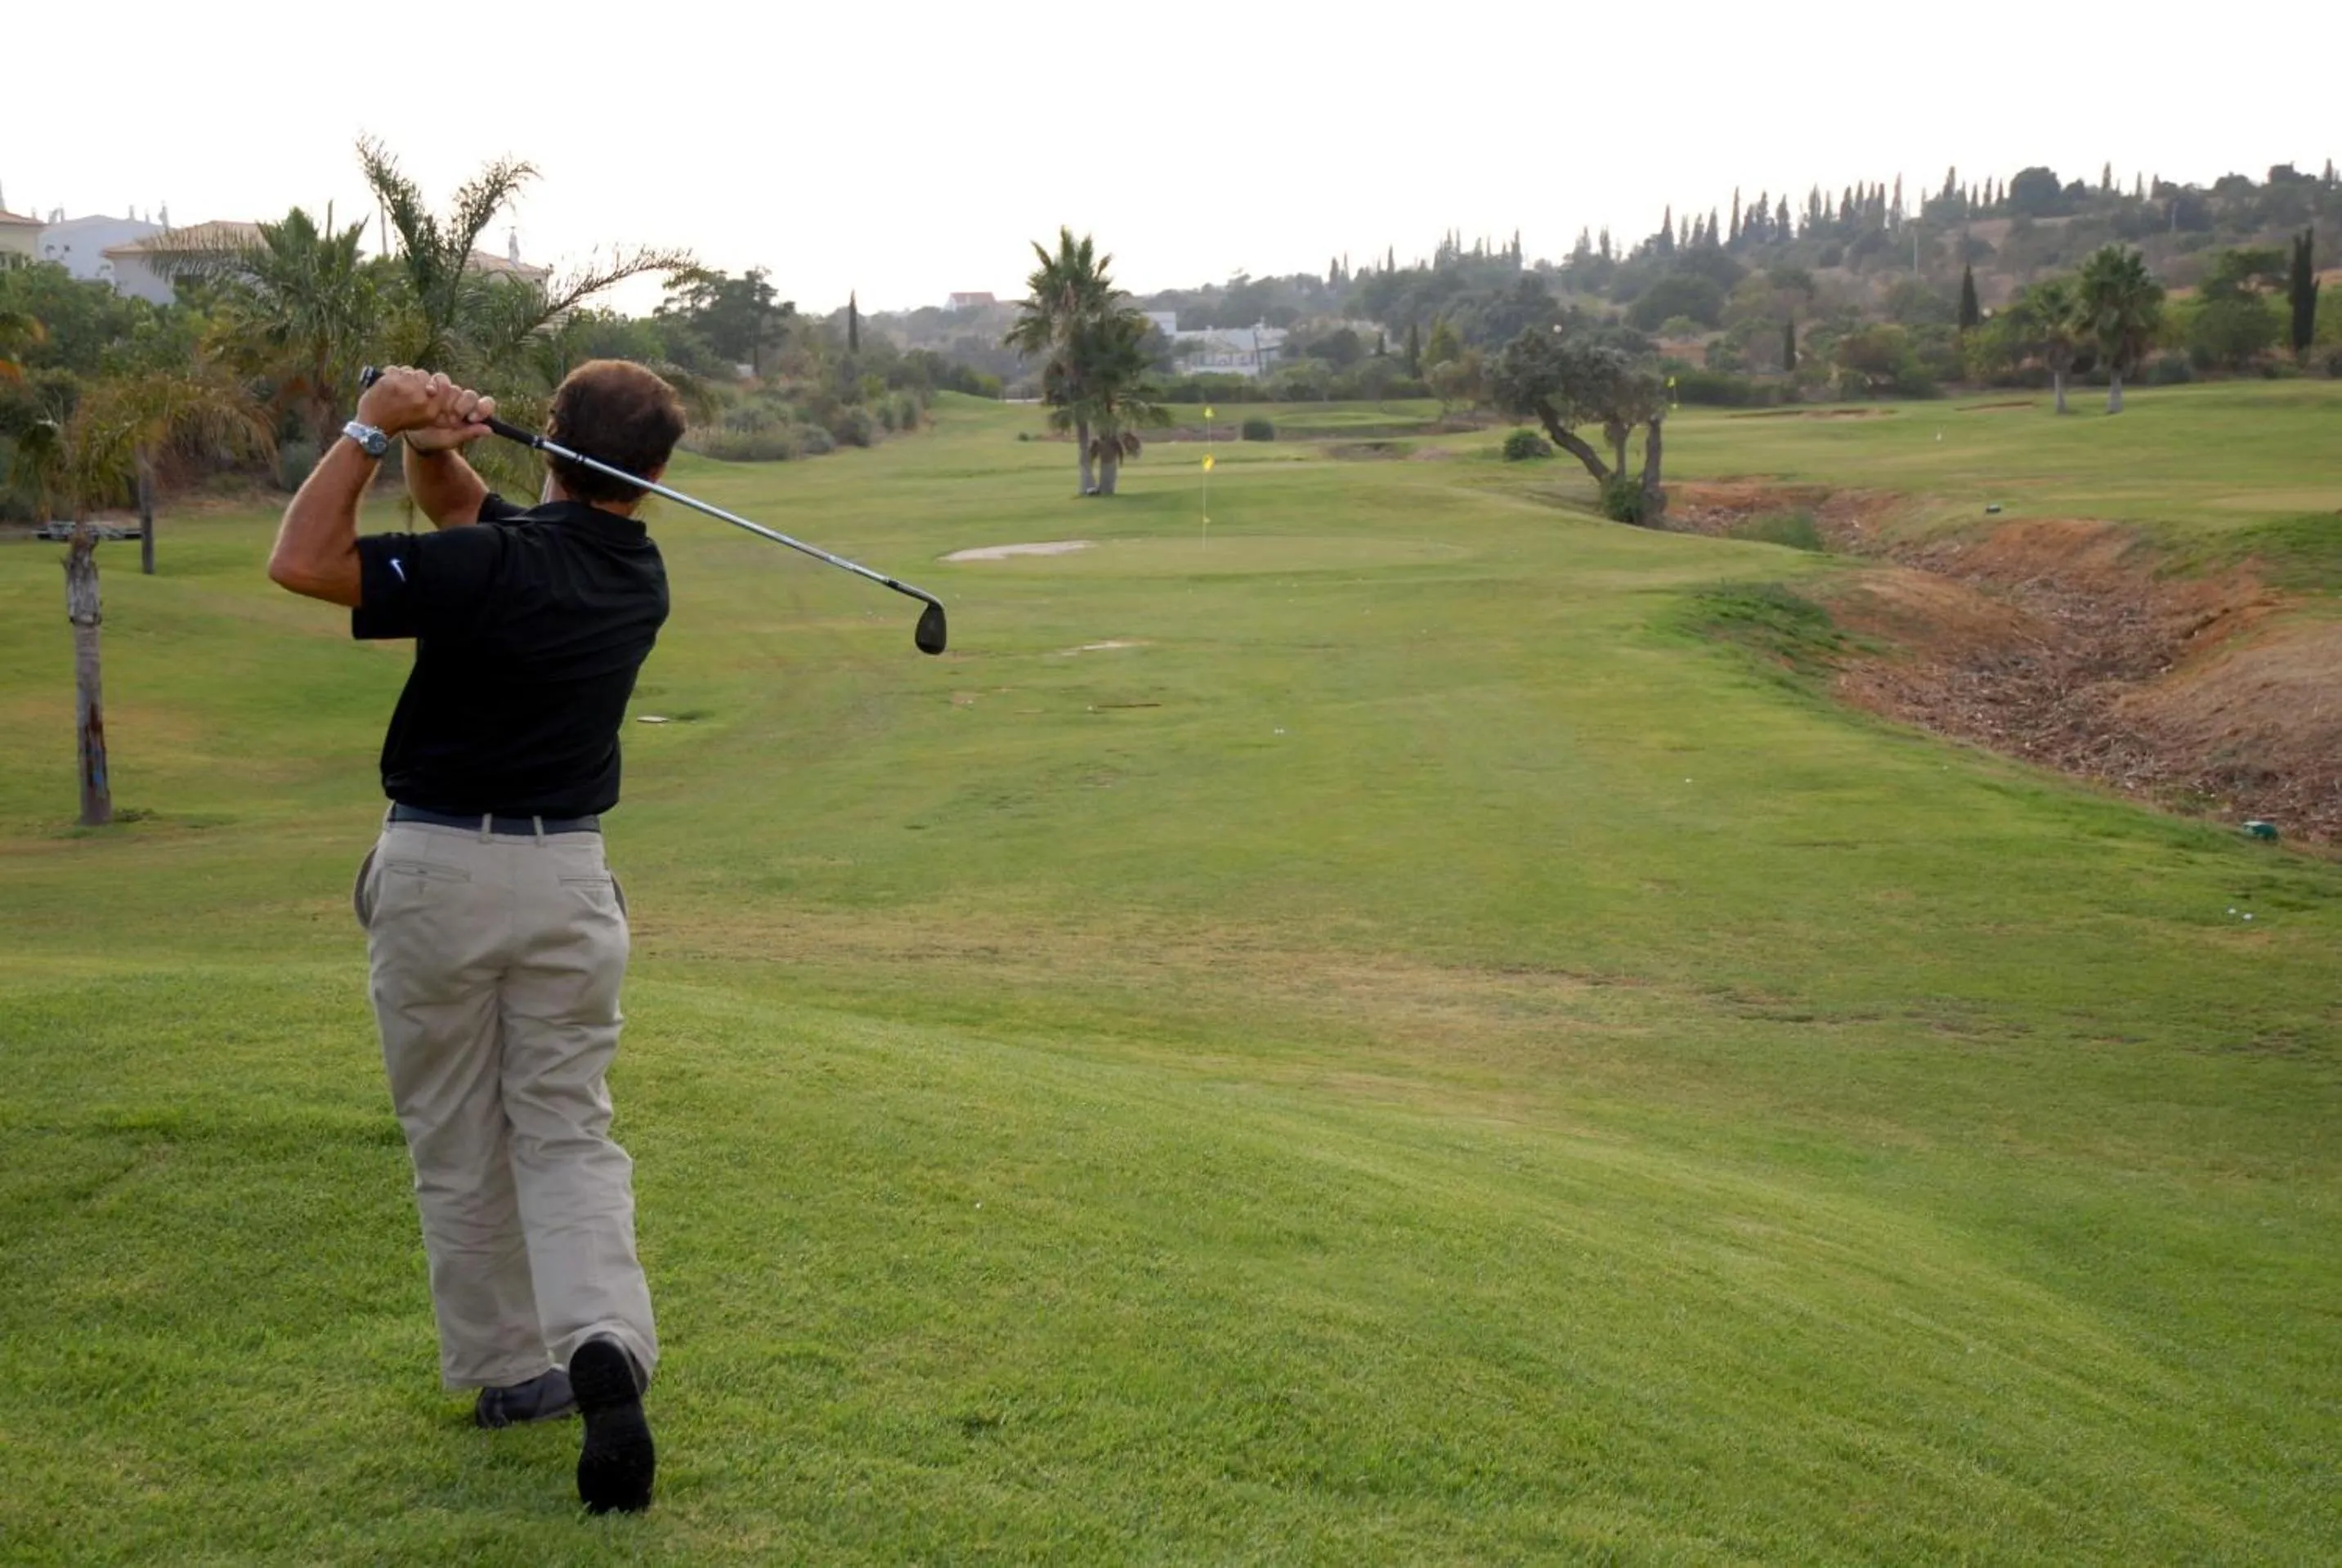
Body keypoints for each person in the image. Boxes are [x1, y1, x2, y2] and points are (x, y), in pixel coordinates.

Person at [266, 361, 684, 1514]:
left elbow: (301, 560)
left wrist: (370, 426)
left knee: (457, 1133)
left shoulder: (494, 566)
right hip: (569, 878)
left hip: (442, 870)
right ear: (649, 476)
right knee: (567, 1130)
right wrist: (441, 440)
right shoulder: (634, 574)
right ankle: (602, 1336)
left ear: (549, 442)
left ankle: (511, 1370)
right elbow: (465, 511)